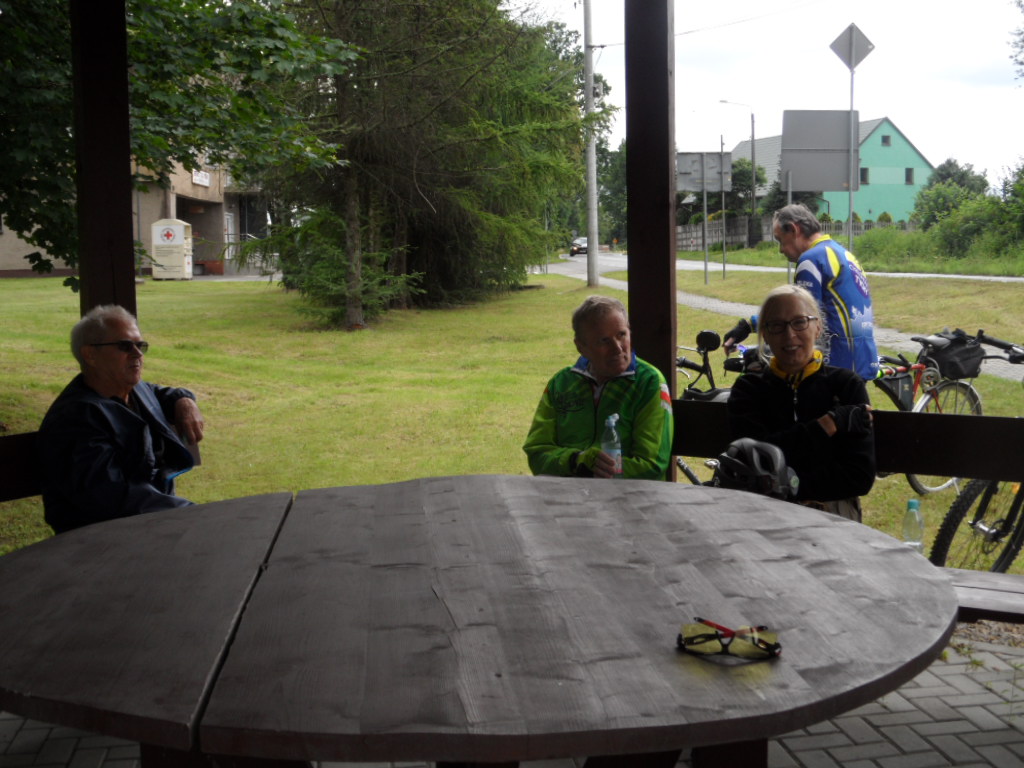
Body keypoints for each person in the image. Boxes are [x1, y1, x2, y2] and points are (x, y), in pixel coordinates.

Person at [37, 305, 205, 534]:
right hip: (101, 537)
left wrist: (184, 400)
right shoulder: (75, 418)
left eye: (140, 345)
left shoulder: (132, 390)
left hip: (150, 521)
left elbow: (160, 393)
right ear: (90, 355)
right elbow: (111, 497)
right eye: (125, 346)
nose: (138, 354)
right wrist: (190, 513)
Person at [727, 285, 875, 521]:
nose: (789, 335)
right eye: (777, 325)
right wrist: (826, 425)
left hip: (832, 511)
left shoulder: (846, 386)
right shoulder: (749, 389)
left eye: (800, 322)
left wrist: (787, 480)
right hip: (764, 510)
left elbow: (858, 477)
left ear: (818, 328)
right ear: (765, 334)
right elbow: (753, 463)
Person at [723, 203, 879, 381]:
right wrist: (751, 325)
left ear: (793, 230)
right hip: (862, 360)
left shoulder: (811, 259)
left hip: (833, 364)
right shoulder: (842, 253)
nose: (781, 249)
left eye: (780, 240)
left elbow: (797, 315)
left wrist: (747, 327)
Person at [523, 296, 673, 479]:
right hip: (566, 493)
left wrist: (598, 470)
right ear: (581, 347)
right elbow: (537, 454)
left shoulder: (648, 382)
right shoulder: (561, 383)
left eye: (621, 335)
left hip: (628, 494)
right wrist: (576, 461)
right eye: (604, 340)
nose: (617, 348)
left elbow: (653, 464)